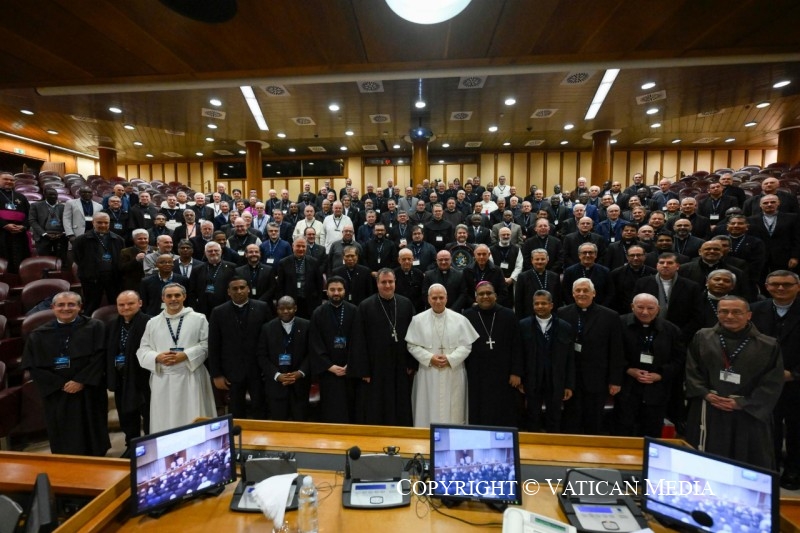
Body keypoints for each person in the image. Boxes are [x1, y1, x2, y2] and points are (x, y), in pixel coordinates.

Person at [685, 296, 784, 469]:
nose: (729, 316)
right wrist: (705, 394)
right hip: (709, 407)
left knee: (746, 460)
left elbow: (772, 382)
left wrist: (742, 403)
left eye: (736, 312)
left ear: (749, 315)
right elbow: (692, 369)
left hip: (748, 412)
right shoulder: (702, 337)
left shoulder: (768, 345)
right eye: (724, 311)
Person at [22, 292, 110, 456]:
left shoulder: (96, 327)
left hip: (89, 390)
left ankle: (98, 458)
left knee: (92, 426)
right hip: (58, 393)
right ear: (53, 308)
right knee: (63, 430)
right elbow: (33, 366)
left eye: (71, 304)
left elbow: (101, 357)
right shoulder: (38, 335)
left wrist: (81, 381)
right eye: (61, 305)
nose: (66, 308)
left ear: (79, 307)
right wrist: (60, 384)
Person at [137, 282, 216, 433]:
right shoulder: (153, 323)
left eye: (177, 295)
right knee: (165, 421)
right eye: (169, 296)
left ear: (184, 297)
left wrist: (186, 355)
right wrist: (157, 357)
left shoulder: (199, 319)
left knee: (193, 418)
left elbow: (207, 345)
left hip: (190, 375)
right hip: (163, 378)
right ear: (163, 298)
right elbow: (143, 349)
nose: (173, 299)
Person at [750, 271, 800, 488]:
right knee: (768, 427)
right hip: (762, 381)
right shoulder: (754, 309)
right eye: (776, 285)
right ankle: (770, 467)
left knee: (797, 427)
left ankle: (794, 470)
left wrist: (795, 373)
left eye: (787, 285)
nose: (781, 289)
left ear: (797, 287)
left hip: (796, 382)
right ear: (767, 287)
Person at [349, 269, 417, 426]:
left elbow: (415, 336)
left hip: (400, 364)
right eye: (383, 282)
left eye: (390, 282)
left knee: (399, 402)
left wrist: (411, 363)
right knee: (376, 405)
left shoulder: (405, 304)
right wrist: (363, 370)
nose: (387, 285)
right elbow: (358, 339)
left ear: (395, 283)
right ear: (377, 283)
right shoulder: (365, 306)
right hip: (375, 366)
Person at [405, 284, 479, 427]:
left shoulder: (460, 319)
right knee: (427, 408)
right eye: (434, 298)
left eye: (441, 297)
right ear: (428, 299)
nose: (438, 301)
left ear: (446, 298)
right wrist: (430, 358)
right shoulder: (418, 320)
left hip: (453, 371)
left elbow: (467, 345)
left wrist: (451, 359)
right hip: (428, 372)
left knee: (454, 411)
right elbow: (411, 345)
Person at [558, 278, 624, 435]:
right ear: (573, 294)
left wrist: (615, 380)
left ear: (593, 293)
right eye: (578, 291)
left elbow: (616, 350)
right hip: (571, 379)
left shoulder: (610, 316)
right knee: (570, 419)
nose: (582, 294)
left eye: (585, 290)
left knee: (594, 420)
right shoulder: (562, 313)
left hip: (597, 378)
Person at [615, 294, 684, 437]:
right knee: (623, 428)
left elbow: (679, 359)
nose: (645, 312)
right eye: (640, 307)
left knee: (651, 431)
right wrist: (628, 369)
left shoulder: (671, 330)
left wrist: (660, 375)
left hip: (657, 389)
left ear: (658, 309)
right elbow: (612, 353)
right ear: (632, 307)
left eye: (650, 308)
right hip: (627, 387)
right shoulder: (619, 324)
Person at [208, 277, 271, 420]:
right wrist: (216, 374)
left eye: (242, 287)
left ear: (248, 289)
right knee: (236, 411)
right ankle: (236, 440)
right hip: (231, 371)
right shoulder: (218, 312)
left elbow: (270, 339)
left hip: (258, 370)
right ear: (229, 292)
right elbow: (213, 345)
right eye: (235, 289)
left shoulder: (262, 307)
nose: (239, 291)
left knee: (260, 408)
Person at [463, 282, 523, 427]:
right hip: (477, 374)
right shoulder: (467, 316)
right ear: (476, 297)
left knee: (503, 411)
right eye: (481, 294)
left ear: (495, 296)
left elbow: (517, 345)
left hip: (503, 374)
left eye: (489, 293)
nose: (485, 296)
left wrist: (516, 372)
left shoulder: (508, 315)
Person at [519, 290, 574, 432]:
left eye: (544, 303)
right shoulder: (522, 326)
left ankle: (553, 448)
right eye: (536, 303)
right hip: (532, 379)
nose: (540, 306)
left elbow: (570, 359)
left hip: (556, 380)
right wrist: (521, 379)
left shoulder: (565, 327)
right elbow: (519, 355)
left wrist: (568, 384)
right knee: (532, 416)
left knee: (554, 417)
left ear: (551, 305)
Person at [107, 291, 151, 457]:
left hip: (143, 379)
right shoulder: (112, 325)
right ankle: (131, 446)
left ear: (139, 303)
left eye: (130, 303)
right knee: (126, 415)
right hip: (121, 379)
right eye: (121, 305)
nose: (126, 307)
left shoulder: (150, 322)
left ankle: (149, 445)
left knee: (148, 416)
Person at [309, 277, 358, 423]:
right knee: (331, 408)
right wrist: (329, 366)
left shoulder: (354, 310)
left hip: (349, 370)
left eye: (339, 289)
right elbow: (315, 343)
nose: (336, 293)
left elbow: (358, 340)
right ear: (327, 292)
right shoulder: (318, 313)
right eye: (332, 290)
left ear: (345, 291)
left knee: (350, 406)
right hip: (328, 371)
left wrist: (350, 364)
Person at [257, 296, 311, 421]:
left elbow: (312, 354)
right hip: (276, 386)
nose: (285, 311)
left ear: (295, 308)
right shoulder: (267, 328)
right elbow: (261, 356)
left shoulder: (306, 326)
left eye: (289, 308)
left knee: (300, 425)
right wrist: (277, 375)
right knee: (278, 425)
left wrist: (300, 373)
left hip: (300, 385)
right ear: (277, 310)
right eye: (282, 308)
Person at [72, 212, 125, 314]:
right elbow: (77, 258)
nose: (103, 225)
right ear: (93, 222)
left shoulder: (119, 240)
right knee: (90, 306)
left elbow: (121, 259)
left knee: (116, 305)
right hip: (91, 278)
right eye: (99, 222)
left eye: (106, 223)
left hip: (113, 278)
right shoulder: (81, 240)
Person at [274, 236, 324, 318]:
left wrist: (318, 302)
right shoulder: (283, 263)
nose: (301, 249)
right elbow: (280, 286)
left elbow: (319, 283)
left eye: (303, 246)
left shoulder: (314, 262)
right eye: (298, 246)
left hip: (309, 301)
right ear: (293, 246)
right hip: (290, 302)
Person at [29, 187, 68, 263]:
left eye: (55, 194)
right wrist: (44, 234)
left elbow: (68, 221)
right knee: (44, 261)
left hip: (60, 237)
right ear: (45, 195)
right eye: (50, 194)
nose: (53, 196)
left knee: (61, 261)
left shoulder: (63, 207)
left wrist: (63, 233)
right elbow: (32, 221)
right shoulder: (36, 206)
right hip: (42, 237)